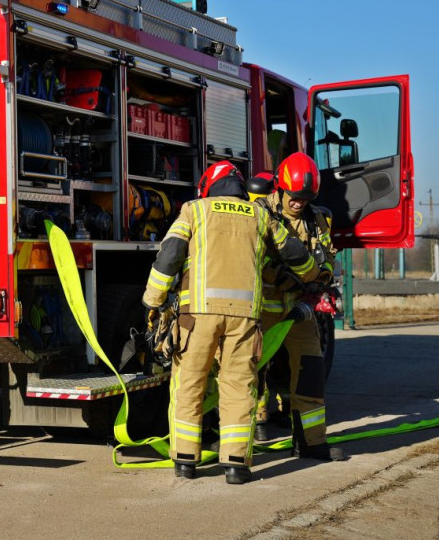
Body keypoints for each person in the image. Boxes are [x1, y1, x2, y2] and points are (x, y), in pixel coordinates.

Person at [143, 161, 321, 484]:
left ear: (208, 186)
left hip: (197, 317)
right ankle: (237, 465)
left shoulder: (194, 210)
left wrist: (152, 301)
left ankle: (185, 460)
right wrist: (312, 274)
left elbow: (168, 256)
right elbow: (291, 251)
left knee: (189, 383)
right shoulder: (259, 214)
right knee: (240, 387)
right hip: (245, 318)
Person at [254, 152, 347, 461]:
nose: (299, 202)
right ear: (279, 188)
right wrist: (290, 280)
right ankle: (246, 436)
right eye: (294, 196)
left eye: (305, 197)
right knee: (249, 370)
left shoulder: (316, 216)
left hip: (301, 309)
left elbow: (328, 253)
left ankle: (310, 442)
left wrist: (324, 276)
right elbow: (255, 257)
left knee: (311, 370)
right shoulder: (259, 213)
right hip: (263, 309)